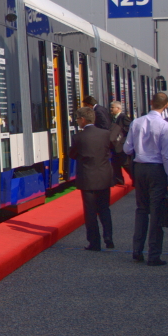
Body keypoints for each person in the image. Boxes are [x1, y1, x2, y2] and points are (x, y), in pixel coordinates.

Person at [123, 92, 168, 266]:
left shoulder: (136, 122)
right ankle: (154, 254)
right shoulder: (165, 126)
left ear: (151, 102)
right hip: (157, 169)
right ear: (166, 105)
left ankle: (137, 250)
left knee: (141, 209)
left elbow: (127, 148)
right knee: (156, 212)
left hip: (139, 168)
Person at [70, 106, 115, 251]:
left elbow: (72, 154)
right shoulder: (105, 134)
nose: (77, 122)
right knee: (104, 208)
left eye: (77, 119)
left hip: (87, 178)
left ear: (83, 119)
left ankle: (94, 242)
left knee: (90, 212)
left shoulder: (78, 137)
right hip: (103, 176)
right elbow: (111, 149)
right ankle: (108, 237)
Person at [109, 101, 129, 184]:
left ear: (118, 108)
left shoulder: (123, 117)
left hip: (121, 145)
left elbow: (129, 128)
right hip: (114, 145)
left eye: (112, 107)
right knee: (115, 164)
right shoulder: (113, 118)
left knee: (126, 164)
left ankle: (136, 180)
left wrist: (119, 131)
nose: (111, 109)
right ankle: (119, 180)